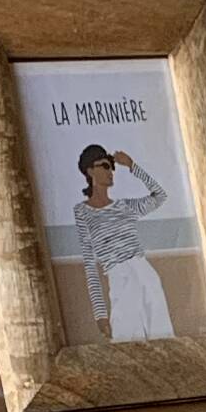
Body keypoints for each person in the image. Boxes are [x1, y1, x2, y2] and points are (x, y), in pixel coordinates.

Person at [71, 143, 175, 338]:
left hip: (145, 273)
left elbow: (160, 196)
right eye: (104, 166)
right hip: (119, 277)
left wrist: (132, 166)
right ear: (90, 170)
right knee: (126, 342)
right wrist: (100, 314)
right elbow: (90, 265)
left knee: (162, 339)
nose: (110, 171)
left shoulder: (125, 206)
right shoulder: (82, 212)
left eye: (112, 167)